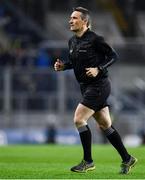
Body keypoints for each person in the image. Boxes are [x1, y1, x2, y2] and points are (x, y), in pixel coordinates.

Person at [54, 7, 137, 174]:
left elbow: (113, 56)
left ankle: (88, 161)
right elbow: (77, 63)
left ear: (84, 21)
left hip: (99, 85)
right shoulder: (72, 41)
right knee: (105, 125)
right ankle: (128, 159)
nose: (70, 20)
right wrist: (64, 66)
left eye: (75, 18)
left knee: (79, 119)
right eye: (70, 17)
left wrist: (99, 68)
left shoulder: (95, 39)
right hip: (86, 87)